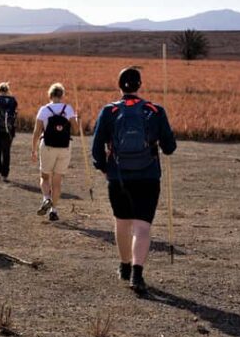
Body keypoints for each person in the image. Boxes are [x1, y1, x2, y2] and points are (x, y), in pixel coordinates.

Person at [90, 67, 176, 295]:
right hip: (148, 177)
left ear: (119, 86)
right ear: (139, 85)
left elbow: (96, 146)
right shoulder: (155, 110)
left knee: (122, 223)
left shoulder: (109, 111)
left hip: (118, 177)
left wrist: (103, 168)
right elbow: (170, 148)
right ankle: (137, 273)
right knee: (142, 226)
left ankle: (125, 265)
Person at [31, 83, 78, 222]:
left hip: (47, 147)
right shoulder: (68, 109)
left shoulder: (44, 110)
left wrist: (33, 149)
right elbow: (75, 130)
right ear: (62, 95)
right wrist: (76, 119)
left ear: (50, 95)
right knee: (57, 181)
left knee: (45, 177)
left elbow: (37, 131)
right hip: (64, 147)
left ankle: (46, 198)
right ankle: (54, 210)